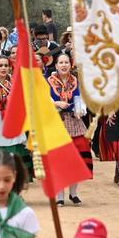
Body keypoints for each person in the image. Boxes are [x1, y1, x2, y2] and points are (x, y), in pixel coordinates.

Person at [49, 53, 92, 207]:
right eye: (61, 62)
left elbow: (82, 100)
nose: (64, 65)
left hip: (75, 123)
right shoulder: (49, 82)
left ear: (70, 64)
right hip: (57, 123)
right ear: (56, 65)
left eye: (66, 62)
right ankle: (59, 196)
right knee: (59, 160)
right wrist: (56, 103)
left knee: (77, 159)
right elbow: (44, 101)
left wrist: (81, 110)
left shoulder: (76, 82)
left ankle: (73, 193)